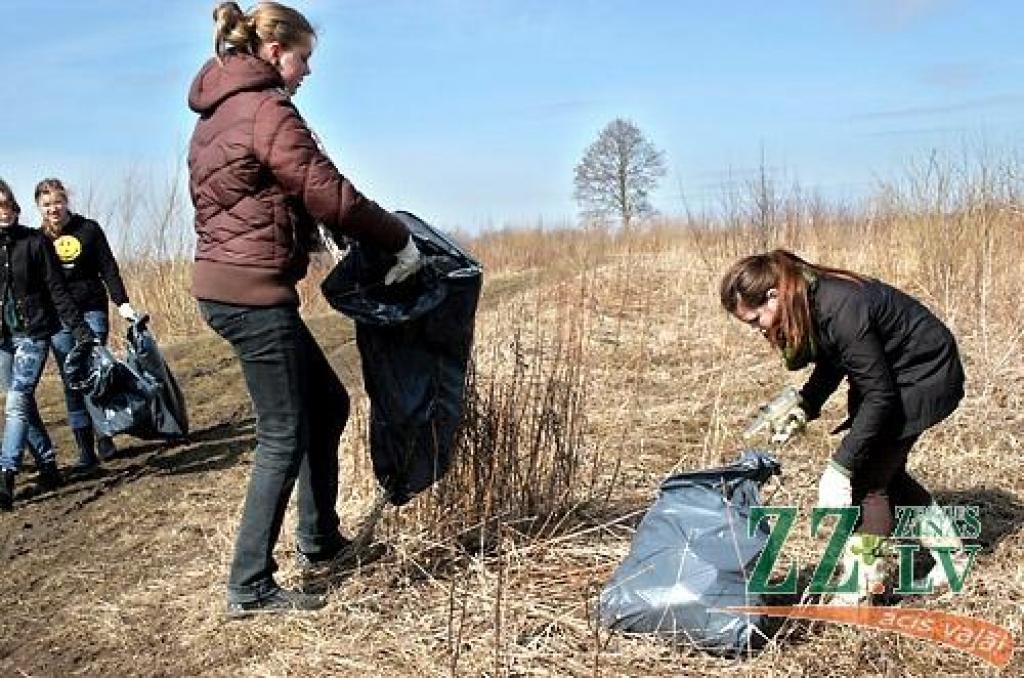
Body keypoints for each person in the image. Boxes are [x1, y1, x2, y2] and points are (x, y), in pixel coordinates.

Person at [187, 2, 422, 618]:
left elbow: (266, 194)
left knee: (327, 404)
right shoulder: (266, 109)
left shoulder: (215, 114)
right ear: (273, 53)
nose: (307, 71)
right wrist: (397, 238)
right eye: (303, 58)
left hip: (229, 285)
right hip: (250, 293)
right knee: (283, 432)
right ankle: (250, 586)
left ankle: (319, 539)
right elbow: (328, 192)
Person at [720, 249, 968, 605]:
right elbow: (835, 360)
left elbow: (879, 396)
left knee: (868, 481)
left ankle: (862, 584)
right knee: (887, 473)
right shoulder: (808, 298)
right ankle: (951, 558)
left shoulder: (840, 306)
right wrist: (807, 404)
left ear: (773, 294)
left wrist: (840, 466)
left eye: (755, 317)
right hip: (894, 376)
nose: (758, 328)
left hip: (924, 374)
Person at [0, 178, 96, 511]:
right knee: (22, 405)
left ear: (16, 207)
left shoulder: (34, 242)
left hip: (32, 334)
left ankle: (6, 473)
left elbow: (57, 289)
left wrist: (80, 328)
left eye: (7, 205)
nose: (4, 212)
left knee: (18, 400)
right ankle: (48, 464)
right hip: (2, 340)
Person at [33, 178, 138, 473]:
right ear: (38, 207)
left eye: (57, 202)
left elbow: (108, 268)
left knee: (95, 374)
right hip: (59, 319)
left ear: (66, 201)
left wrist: (123, 303)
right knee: (71, 382)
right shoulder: (37, 239)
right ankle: (85, 451)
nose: (53, 208)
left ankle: (105, 434)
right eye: (46, 204)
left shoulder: (88, 229)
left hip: (92, 309)